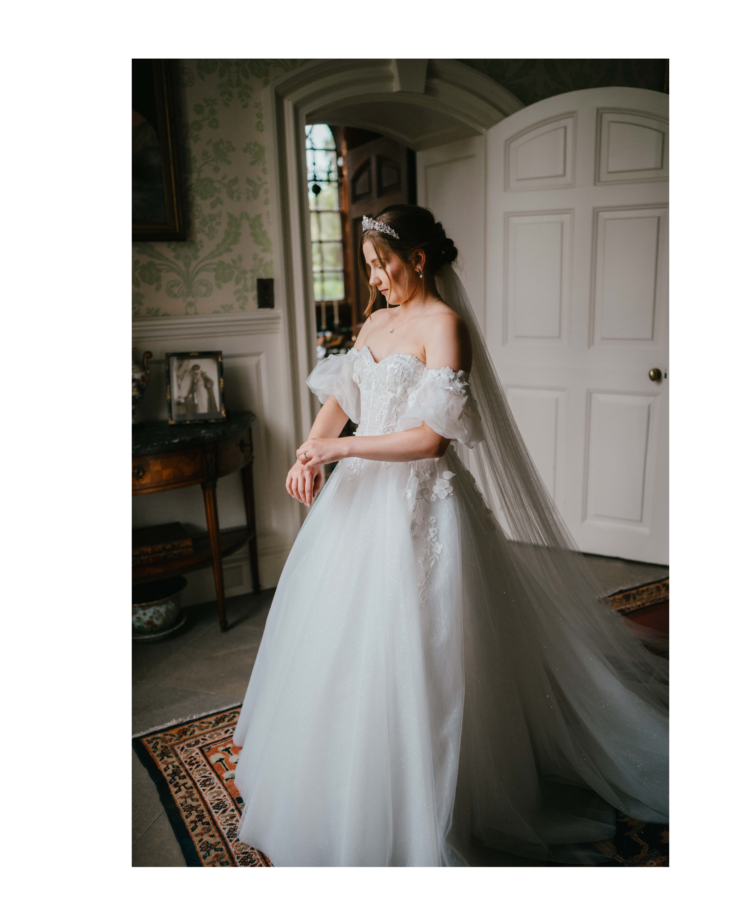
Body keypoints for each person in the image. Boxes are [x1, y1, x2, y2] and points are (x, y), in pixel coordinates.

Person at [232, 204, 668, 867]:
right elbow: (342, 402)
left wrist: (341, 456)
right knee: (342, 643)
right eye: (369, 267)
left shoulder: (444, 326)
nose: (374, 279)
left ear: (417, 258)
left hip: (420, 505)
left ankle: (435, 794)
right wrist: (308, 451)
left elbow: (430, 439)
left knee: (429, 647)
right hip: (354, 511)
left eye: (382, 264)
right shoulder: (377, 321)